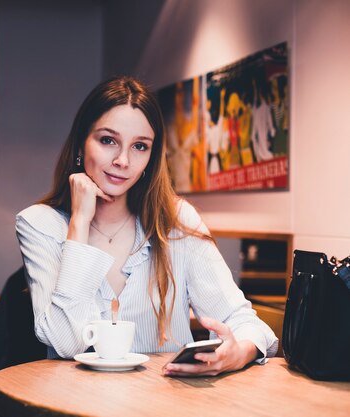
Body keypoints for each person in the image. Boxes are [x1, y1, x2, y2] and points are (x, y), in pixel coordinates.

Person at [15, 76, 278, 377]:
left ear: (151, 159)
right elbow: (65, 342)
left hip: (165, 404)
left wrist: (236, 353)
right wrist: (80, 222)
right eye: (108, 140)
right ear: (80, 144)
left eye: (140, 146)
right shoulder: (39, 224)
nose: (123, 160)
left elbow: (244, 321)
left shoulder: (177, 220)